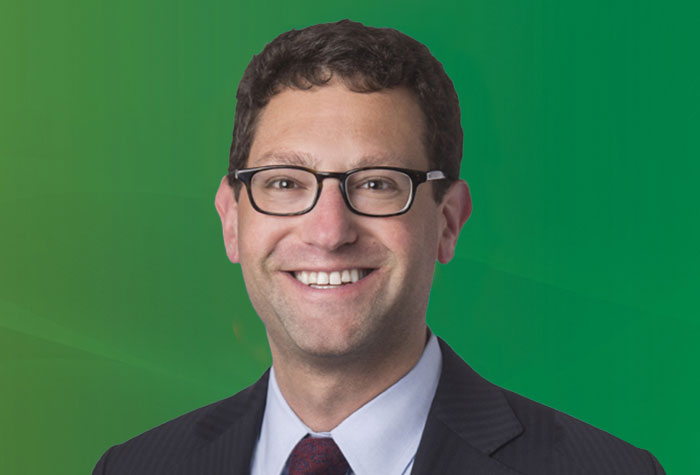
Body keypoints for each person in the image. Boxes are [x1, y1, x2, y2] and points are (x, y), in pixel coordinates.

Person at [93, 20, 665, 475]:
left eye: (376, 185)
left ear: (448, 222)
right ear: (231, 221)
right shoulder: (135, 467)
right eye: (285, 183)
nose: (329, 232)